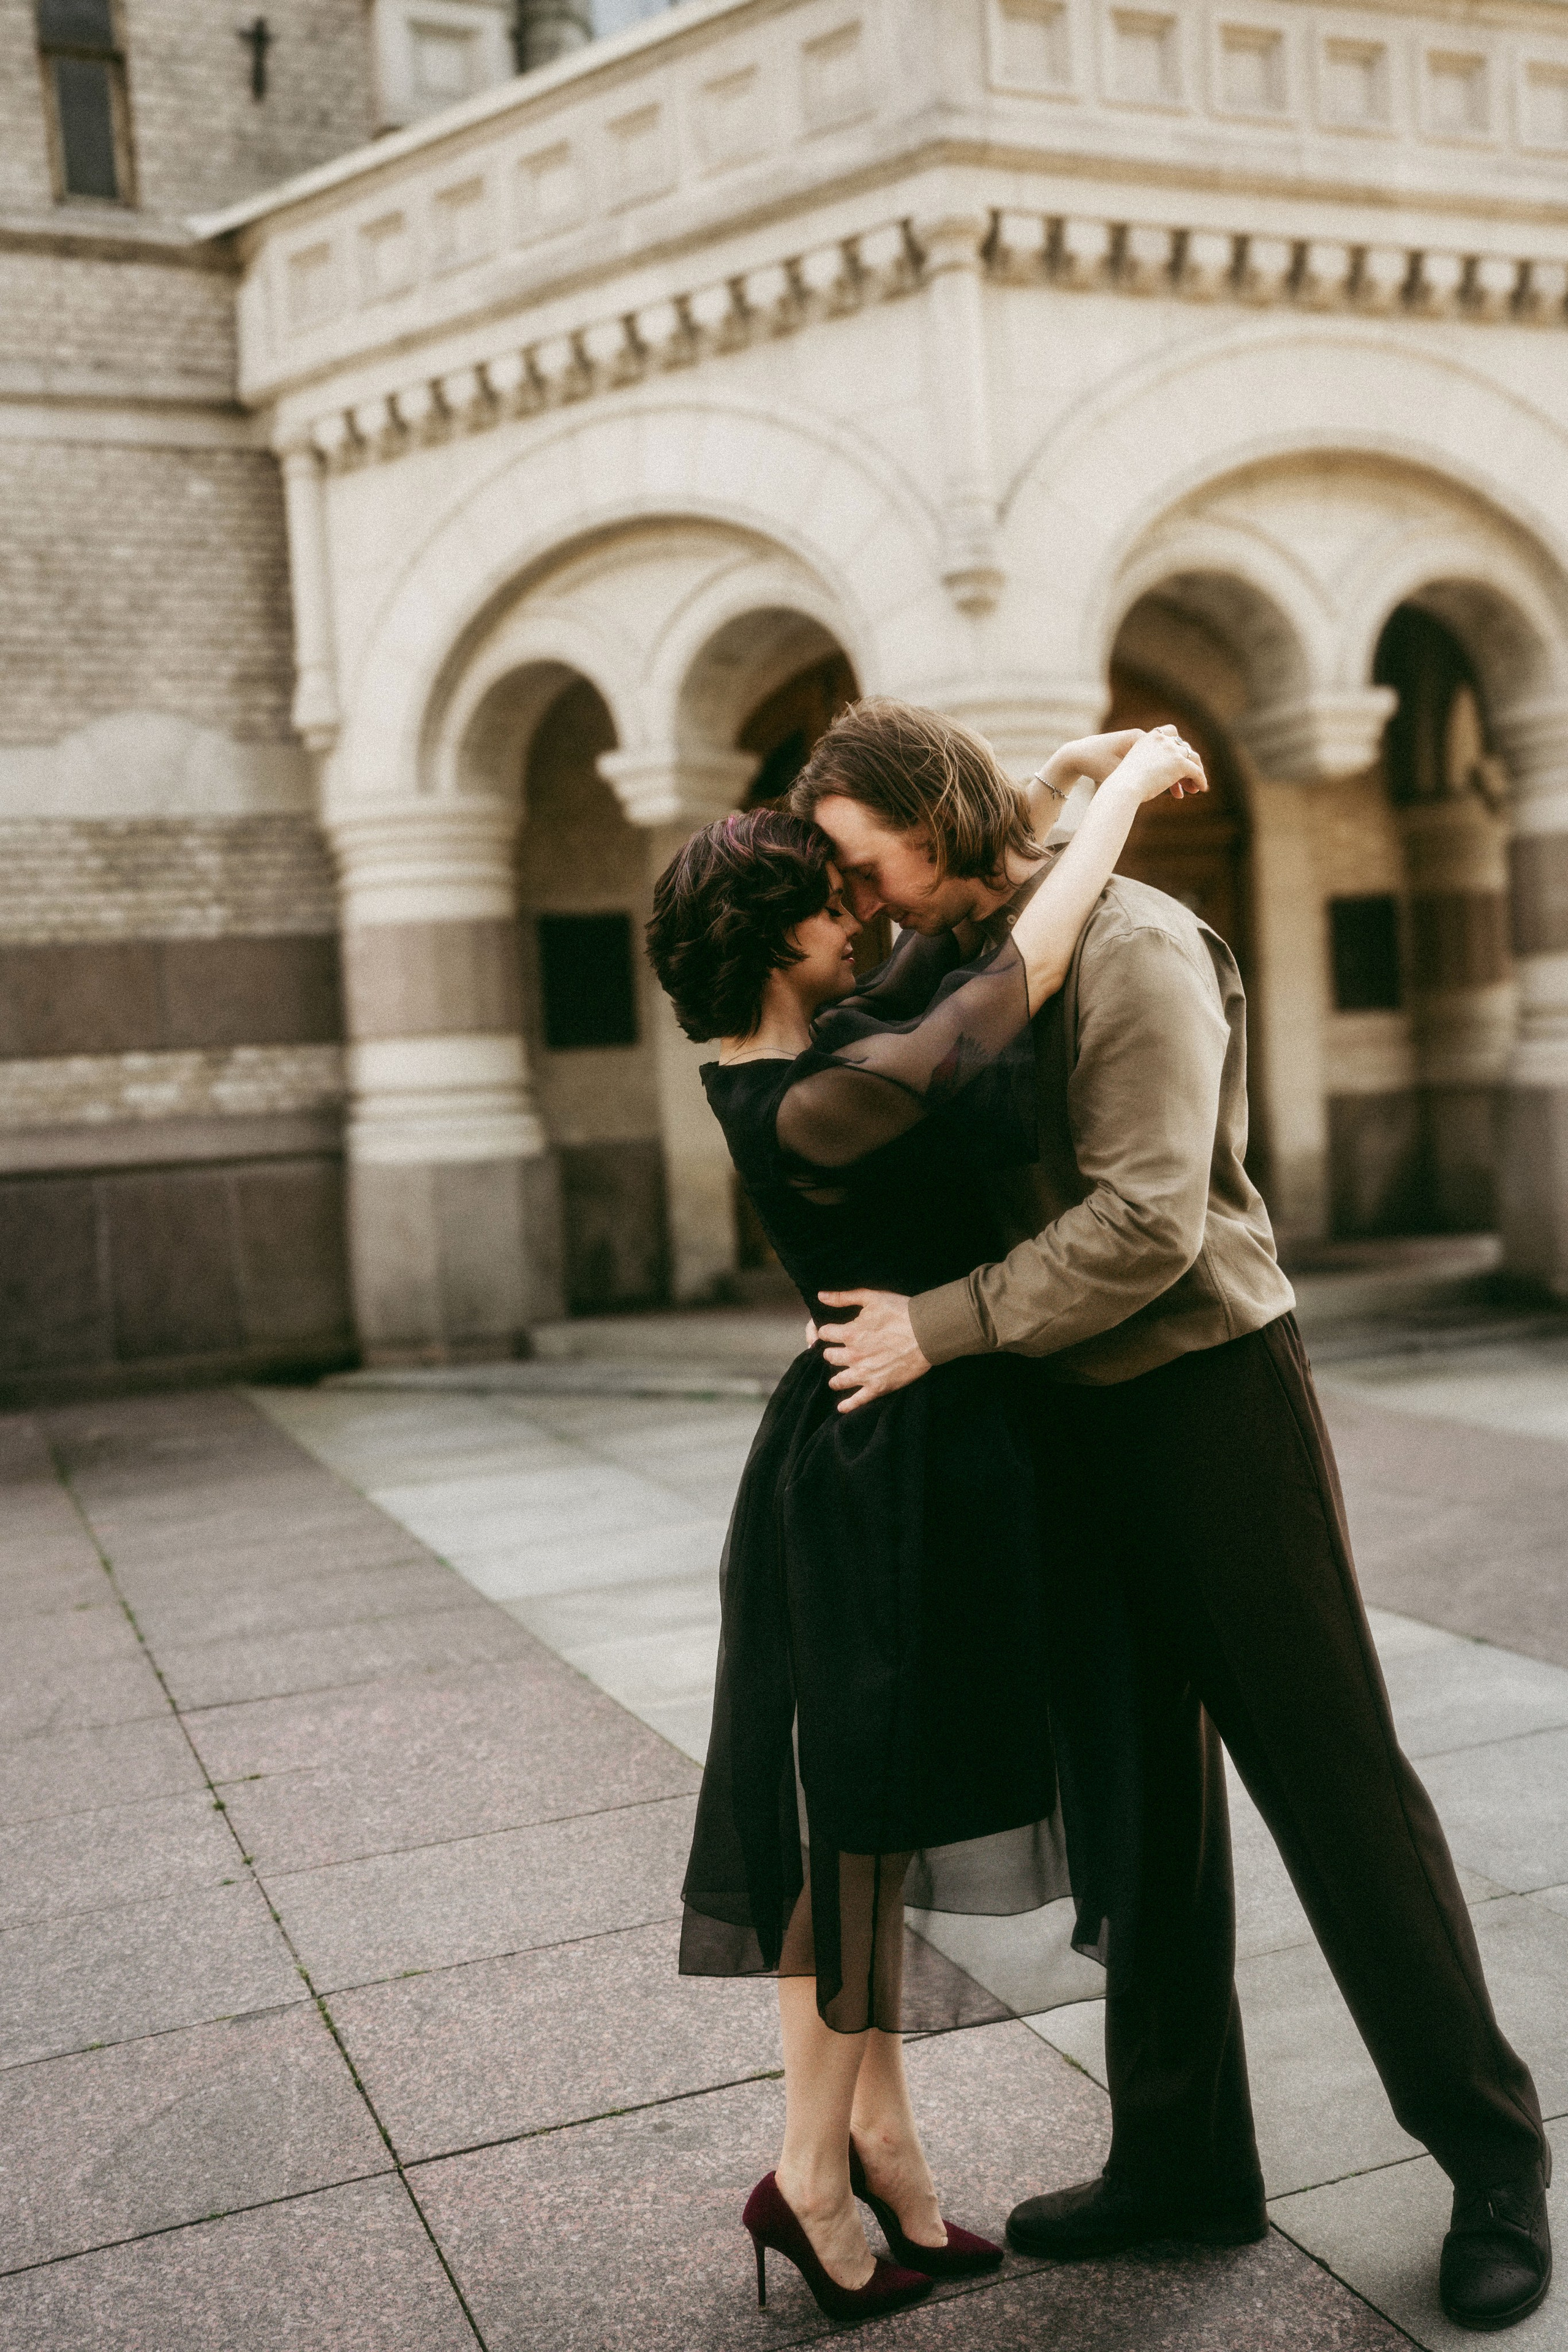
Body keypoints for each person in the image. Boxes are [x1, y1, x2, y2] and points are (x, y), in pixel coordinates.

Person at [794, 697, 1552, 2335]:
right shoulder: (971, 947)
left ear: (930, 818)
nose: (864, 904)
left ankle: (1497, 2166)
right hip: (1069, 1429)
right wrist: (1075, 788)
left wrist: (942, 1323)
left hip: (1212, 1403)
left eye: (868, 866)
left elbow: (1149, 1222)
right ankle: (1184, 2159)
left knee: (1335, 1785)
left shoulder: (1136, 945)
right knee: (1137, 1808)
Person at [643, 726, 1205, 2326]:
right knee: (859, 1839)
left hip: (890, 1457)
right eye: (829, 903)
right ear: (775, 938)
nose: (860, 915)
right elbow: (1014, 976)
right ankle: (812, 2173)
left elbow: (961, 935)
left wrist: (1030, 792)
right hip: (878, 1477)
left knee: (867, 1826)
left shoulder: (804, 1057)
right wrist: (1118, 799)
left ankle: (878, 2144)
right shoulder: (812, 1098)